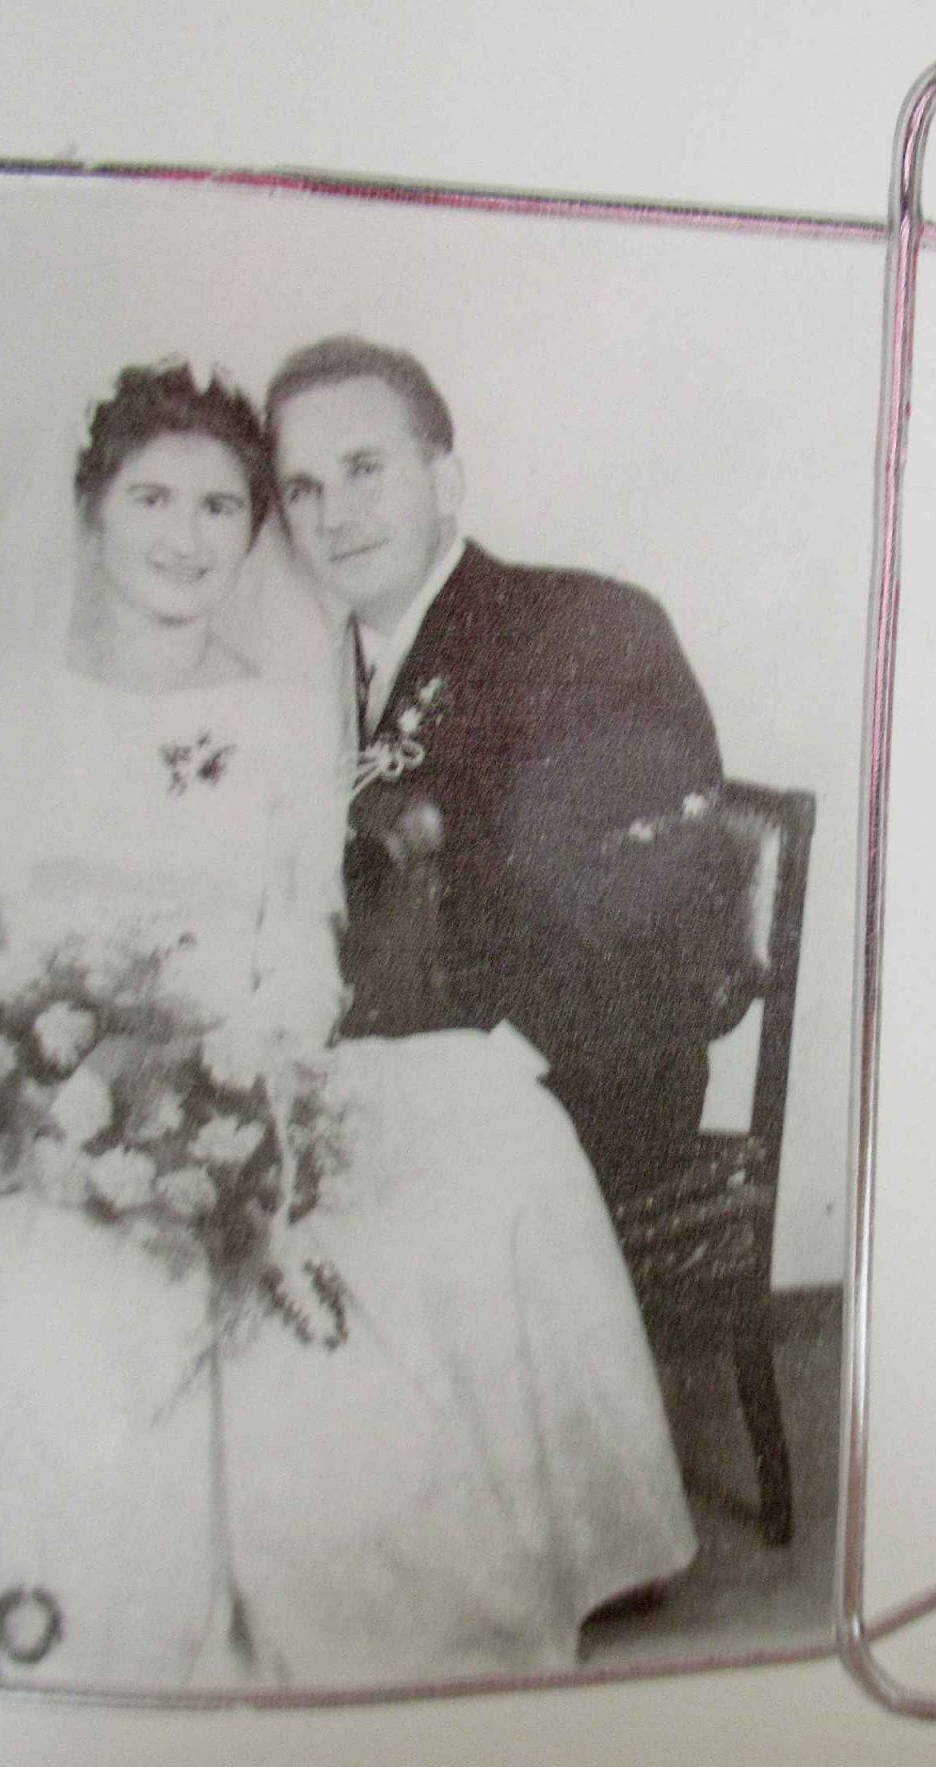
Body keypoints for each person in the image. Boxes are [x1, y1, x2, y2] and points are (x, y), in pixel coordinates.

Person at [0, 362, 695, 1693]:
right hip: (34, 1095)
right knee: (36, 1304)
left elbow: (301, 935)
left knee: (485, 1146)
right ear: (92, 511)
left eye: (221, 507)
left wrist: (258, 1066)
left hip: (240, 1074)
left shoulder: (277, 713)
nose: (185, 537)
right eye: (152, 500)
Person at [266, 338, 731, 1207]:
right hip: (365, 1082)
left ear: (446, 481)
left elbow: (668, 925)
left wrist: (475, 1082)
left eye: (364, 470)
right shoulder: (296, 675)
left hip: (566, 1088)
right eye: (303, 488)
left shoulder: (588, 628)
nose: (334, 516)